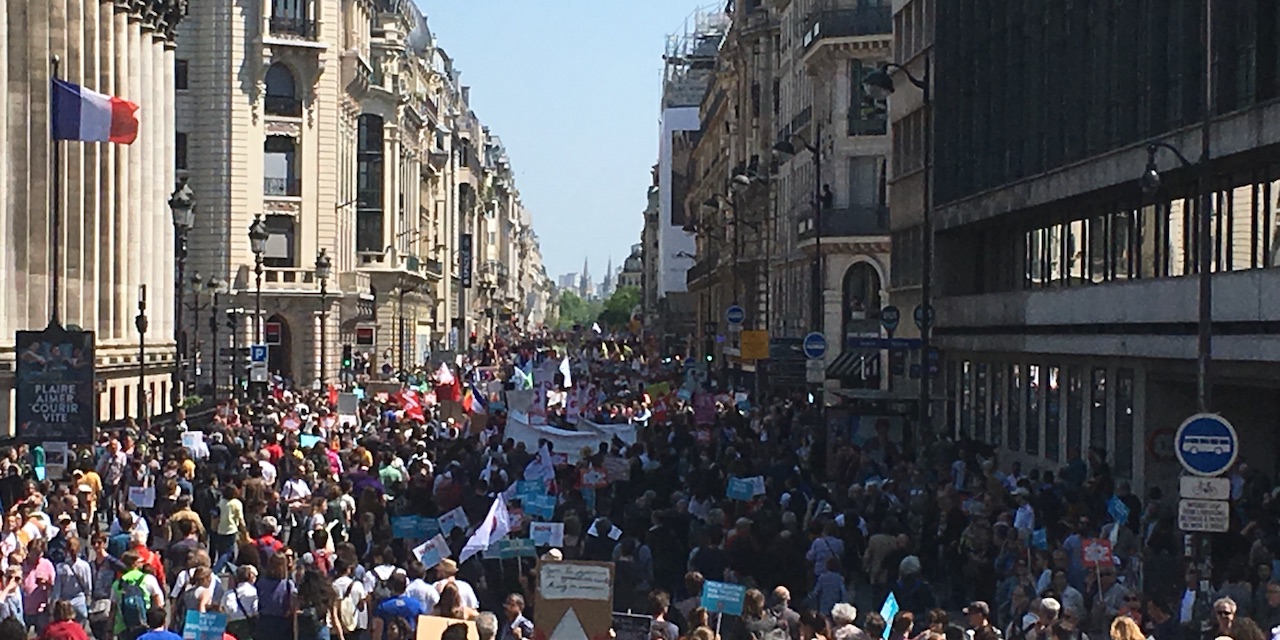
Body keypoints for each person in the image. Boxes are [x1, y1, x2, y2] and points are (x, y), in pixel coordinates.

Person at [111, 551, 165, 640]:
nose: (142, 564)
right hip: (145, 624)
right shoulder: (148, 579)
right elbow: (159, 603)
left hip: (123, 627)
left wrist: (110, 630)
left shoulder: (118, 583)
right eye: (141, 562)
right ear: (135, 564)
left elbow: (113, 609)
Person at [372, 574, 429, 640]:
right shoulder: (416, 605)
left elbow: (377, 630)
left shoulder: (383, 605)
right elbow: (422, 625)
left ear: (391, 586)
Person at [223, 565, 259, 640]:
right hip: (247, 624)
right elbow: (256, 610)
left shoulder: (228, 594)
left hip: (232, 625)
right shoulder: (253, 591)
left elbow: (225, 609)